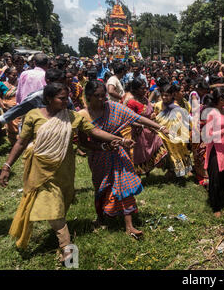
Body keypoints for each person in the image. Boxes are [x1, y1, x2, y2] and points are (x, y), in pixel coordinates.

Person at [0, 82, 130, 261]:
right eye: (61, 98)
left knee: (61, 204)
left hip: (65, 170)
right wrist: (7, 166)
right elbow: (21, 142)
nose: (66, 101)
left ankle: (61, 236)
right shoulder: (33, 116)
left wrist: (119, 140)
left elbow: (95, 131)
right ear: (48, 99)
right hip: (41, 170)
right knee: (54, 207)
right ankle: (68, 251)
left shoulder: (72, 117)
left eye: (67, 97)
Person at [78, 80, 169, 239]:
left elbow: (137, 118)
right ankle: (101, 217)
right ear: (88, 97)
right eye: (97, 96)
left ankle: (129, 225)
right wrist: (102, 147)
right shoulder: (82, 115)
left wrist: (159, 127)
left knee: (124, 184)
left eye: (103, 95)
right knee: (101, 187)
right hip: (99, 156)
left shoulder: (112, 107)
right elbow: (83, 143)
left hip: (120, 153)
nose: (101, 99)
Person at [123, 77, 168, 175]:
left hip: (150, 130)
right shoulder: (131, 102)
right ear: (135, 90)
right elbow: (129, 119)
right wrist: (142, 125)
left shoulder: (145, 99)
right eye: (142, 88)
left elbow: (150, 111)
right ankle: (138, 174)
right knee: (142, 154)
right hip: (139, 133)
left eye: (145, 88)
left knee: (159, 145)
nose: (145, 90)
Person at [203, 87, 224, 218]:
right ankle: (215, 205)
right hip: (216, 149)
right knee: (215, 177)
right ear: (220, 99)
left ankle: (223, 191)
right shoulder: (212, 113)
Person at [154, 84, 193, 178]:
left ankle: (183, 171)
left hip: (175, 135)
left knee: (180, 153)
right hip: (163, 134)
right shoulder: (158, 105)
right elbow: (157, 118)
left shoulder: (177, 108)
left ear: (172, 95)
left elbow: (185, 121)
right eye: (162, 95)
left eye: (166, 95)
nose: (164, 97)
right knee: (168, 154)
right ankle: (171, 170)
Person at [0, 67, 20, 144]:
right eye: (13, 75)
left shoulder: (19, 83)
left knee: (18, 124)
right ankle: (13, 142)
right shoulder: (1, 84)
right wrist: (3, 107)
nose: (15, 77)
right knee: (10, 125)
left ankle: (19, 142)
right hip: (7, 109)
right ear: (7, 75)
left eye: (16, 75)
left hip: (18, 108)